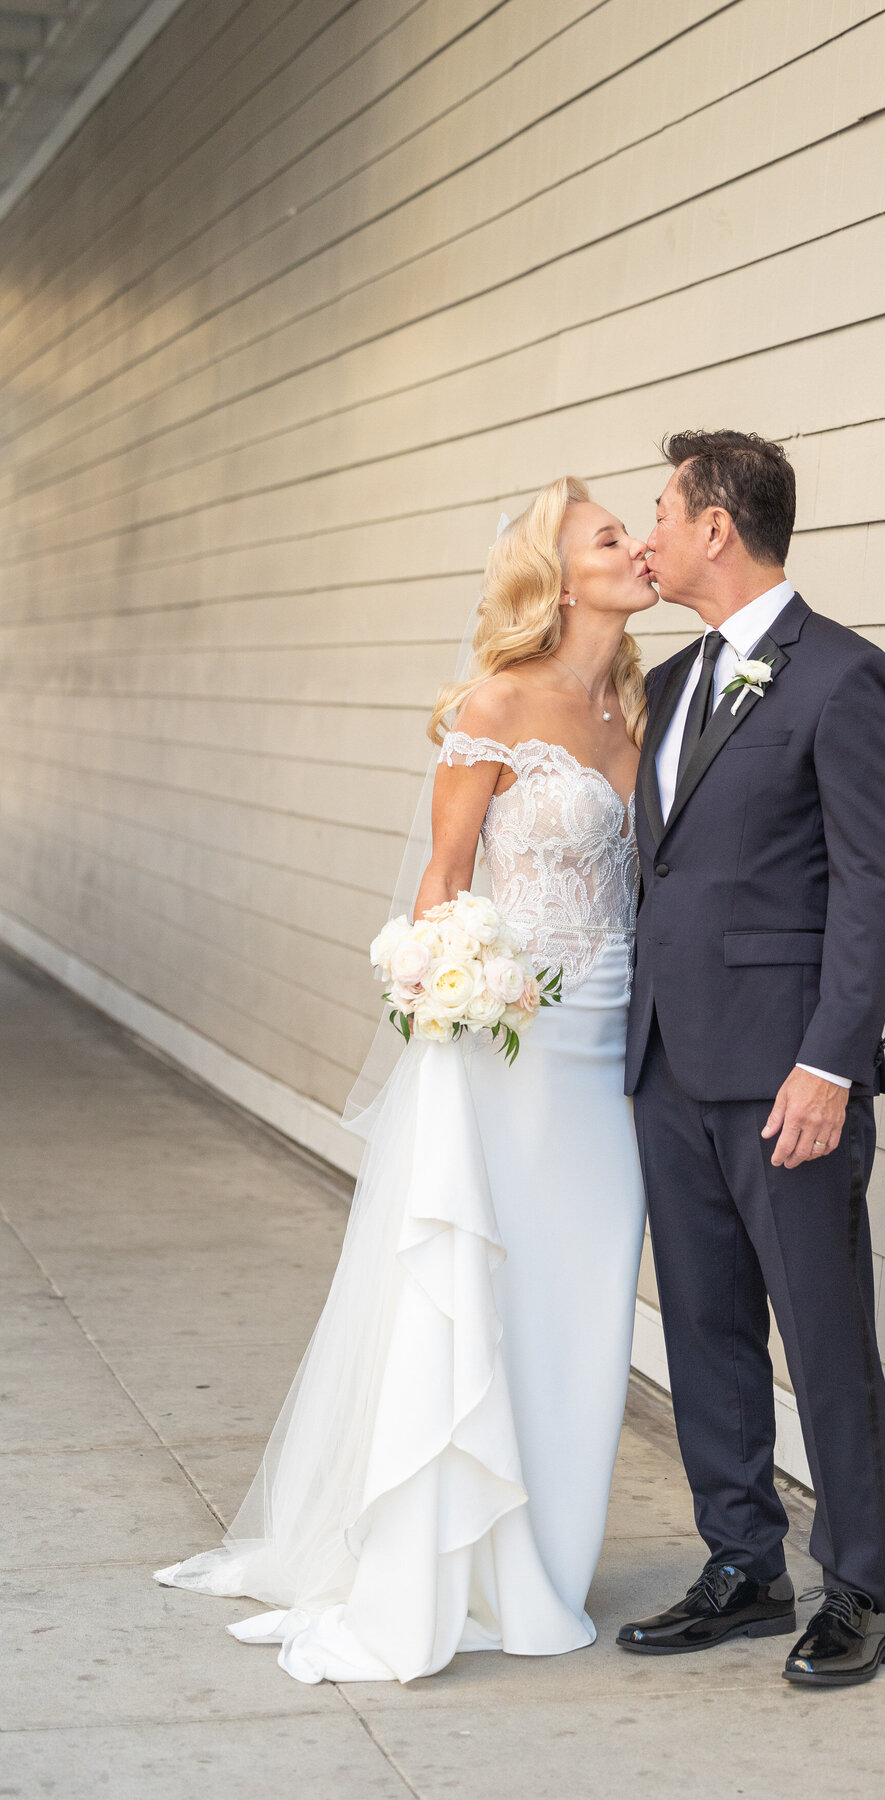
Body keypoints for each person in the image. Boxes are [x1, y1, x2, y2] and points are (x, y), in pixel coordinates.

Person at [156, 477, 655, 1684]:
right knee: (486, 1280)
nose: (636, 547)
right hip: (511, 1050)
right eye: (609, 536)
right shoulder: (498, 703)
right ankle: (448, 1557)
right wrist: (454, 991)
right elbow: (441, 888)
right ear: (558, 571)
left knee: (583, 1292)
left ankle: (544, 1552)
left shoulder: (643, 709)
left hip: (614, 1054)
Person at [620, 430, 885, 1687]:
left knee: (823, 1329)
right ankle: (743, 1564)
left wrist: (830, 1064)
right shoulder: (677, 678)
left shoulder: (846, 678)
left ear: (717, 528)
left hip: (789, 1073)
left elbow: (874, 884)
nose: (648, 534)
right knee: (702, 1325)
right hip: (667, 1064)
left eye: (661, 512)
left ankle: (862, 1587)